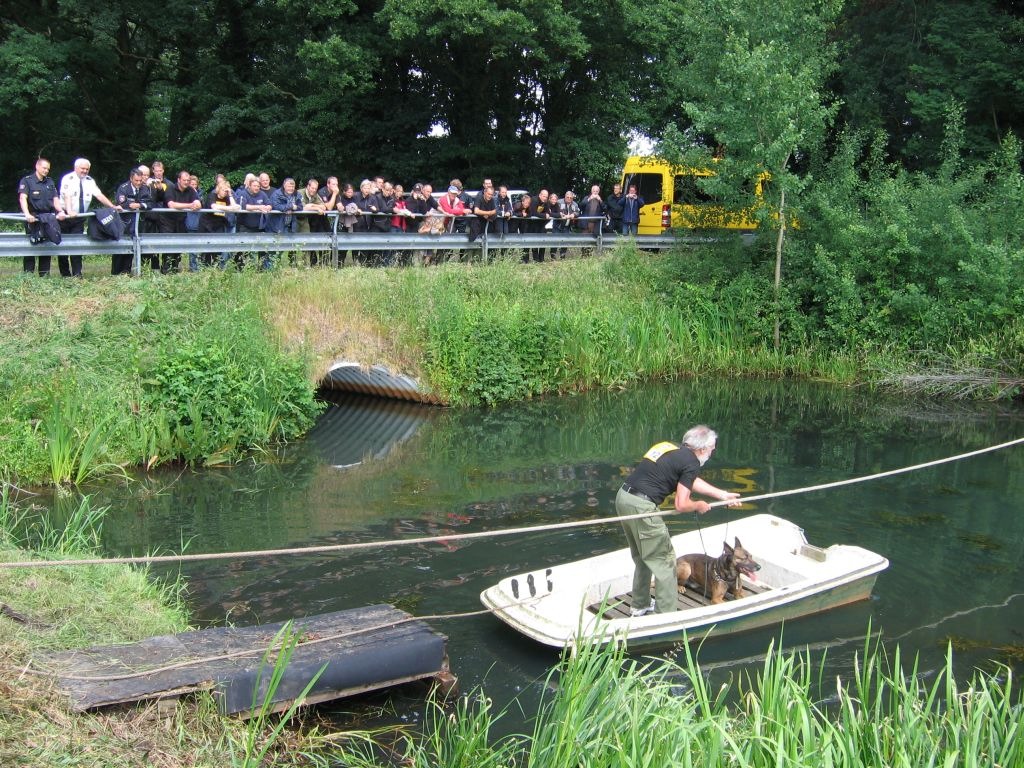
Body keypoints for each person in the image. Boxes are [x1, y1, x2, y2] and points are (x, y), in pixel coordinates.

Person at [615, 425, 740, 616]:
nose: (713, 451)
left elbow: (688, 480)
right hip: (642, 507)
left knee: (643, 556)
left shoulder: (670, 448)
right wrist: (698, 505)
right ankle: (665, 615)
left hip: (624, 498)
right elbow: (681, 504)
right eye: (712, 448)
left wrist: (721, 494)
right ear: (702, 449)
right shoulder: (692, 462)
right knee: (665, 561)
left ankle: (639, 604)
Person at [58, 157, 119, 277]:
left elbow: (99, 195)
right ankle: (65, 274)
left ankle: (77, 273)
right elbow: (67, 196)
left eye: (87, 169)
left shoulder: (90, 181)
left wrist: (112, 206)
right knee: (63, 245)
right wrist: (69, 211)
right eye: (82, 168)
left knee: (77, 245)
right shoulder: (68, 178)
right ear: (76, 168)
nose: (85, 171)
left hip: (79, 218)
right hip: (65, 216)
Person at [17, 158, 66, 275]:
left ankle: (44, 275)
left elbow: (55, 199)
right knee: (31, 246)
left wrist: (60, 211)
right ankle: (28, 276)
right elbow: (22, 198)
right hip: (33, 218)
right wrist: (27, 214)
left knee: (46, 247)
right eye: (44, 168)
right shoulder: (27, 181)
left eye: (48, 169)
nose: (46, 171)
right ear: (37, 166)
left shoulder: (49, 182)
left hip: (48, 218)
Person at [112, 166, 152, 274]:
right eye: (136, 180)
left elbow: (150, 204)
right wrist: (130, 205)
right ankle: (116, 273)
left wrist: (139, 205)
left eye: (140, 180)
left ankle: (126, 272)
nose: (139, 183)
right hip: (124, 223)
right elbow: (120, 202)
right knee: (120, 248)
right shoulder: (123, 188)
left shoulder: (144, 188)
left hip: (138, 224)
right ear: (131, 178)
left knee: (131, 248)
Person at [164, 169, 201, 273]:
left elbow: (198, 203)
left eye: (188, 180)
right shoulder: (170, 188)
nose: (186, 182)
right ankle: (166, 269)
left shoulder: (191, 190)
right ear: (179, 180)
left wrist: (196, 204)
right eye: (184, 180)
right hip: (168, 220)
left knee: (179, 245)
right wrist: (189, 205)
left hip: (181, 220)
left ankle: (175, 268)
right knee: (169, 245)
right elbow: (171, 205)